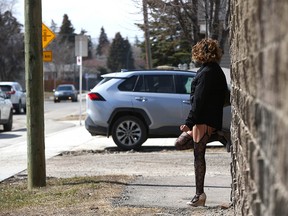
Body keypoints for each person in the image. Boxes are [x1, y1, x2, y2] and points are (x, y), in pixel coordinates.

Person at [176, 38, 228, 207]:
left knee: (199, 156)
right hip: (206, 119)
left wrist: (189, 123)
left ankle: (199, 196)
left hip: (203, 119)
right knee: (181, 142)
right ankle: (219, 135)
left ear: (202, 53)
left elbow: (198, 100)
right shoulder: (211, 70)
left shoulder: (207, 73)